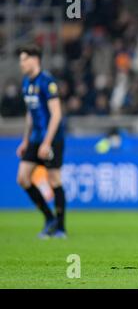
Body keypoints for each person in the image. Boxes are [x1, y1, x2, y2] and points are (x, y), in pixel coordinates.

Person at [16, 44, 67, 239]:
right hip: (35, 138)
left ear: (35, 59)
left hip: (52, 138)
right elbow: (31, 113)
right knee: (23, 178)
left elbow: (56, 114)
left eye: (24, 59)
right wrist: (25, 140)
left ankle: (61, 228)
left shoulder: (47, 81)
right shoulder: (25, 83)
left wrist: (47, 142)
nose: (21, 64)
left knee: (54, 178)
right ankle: (49, 218)